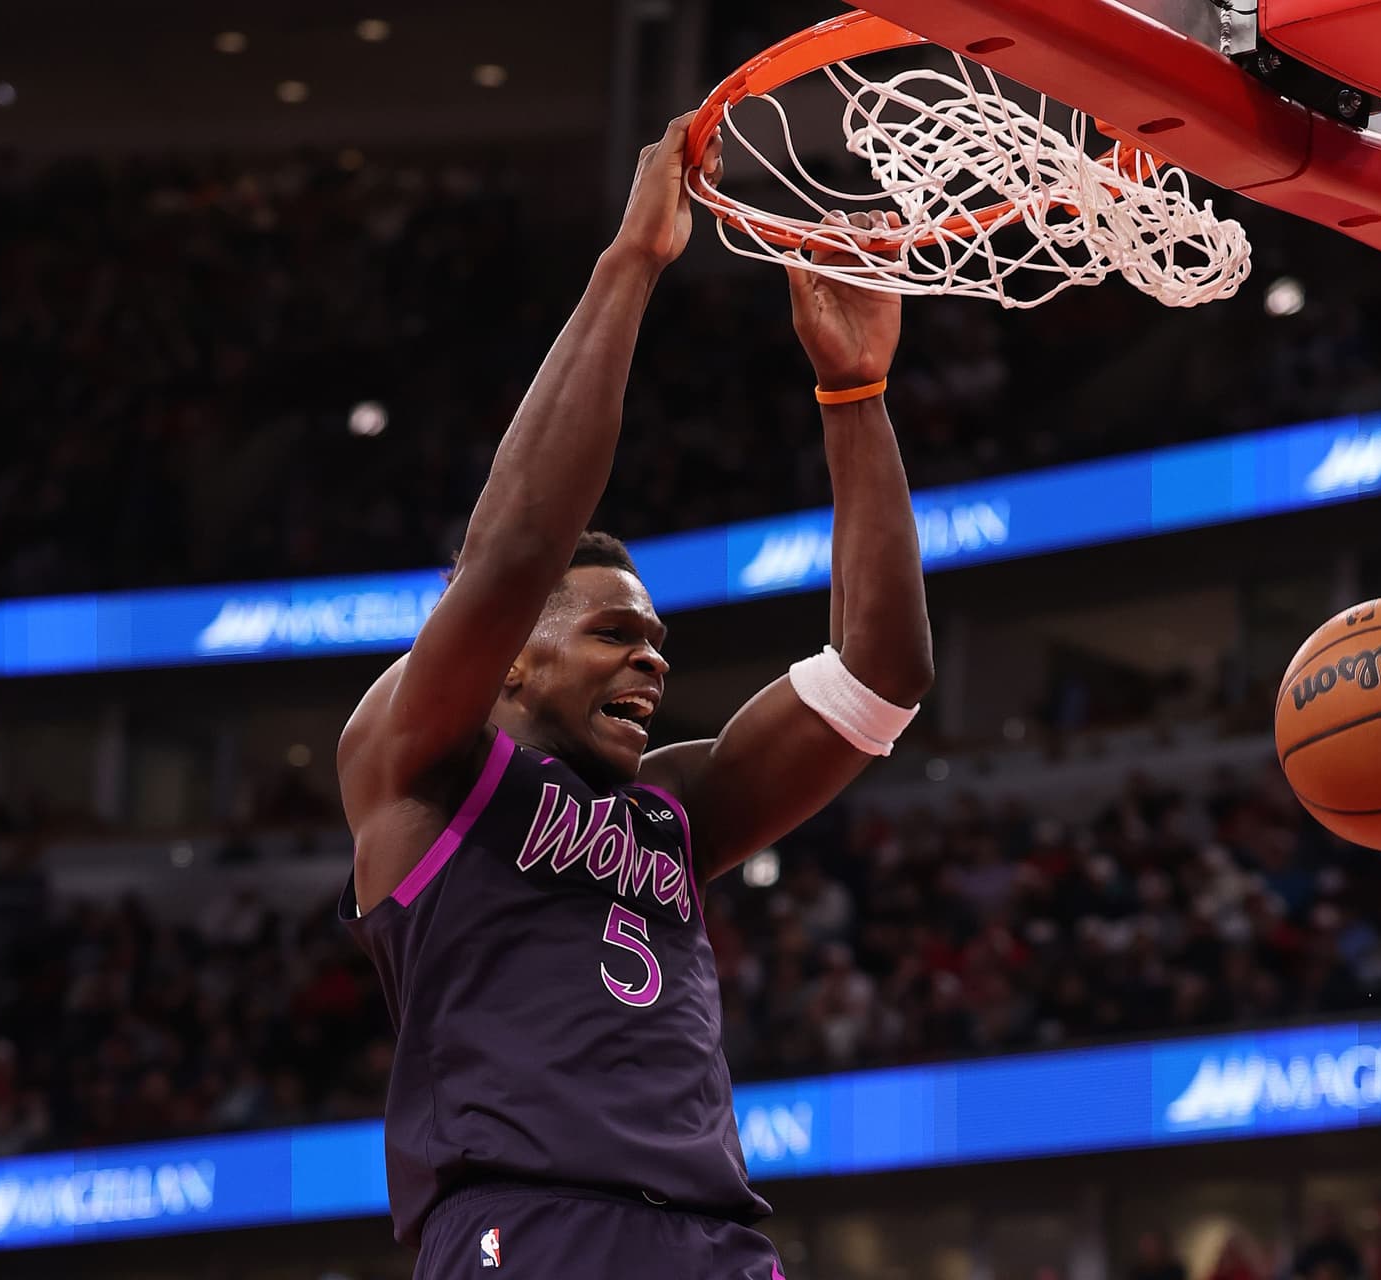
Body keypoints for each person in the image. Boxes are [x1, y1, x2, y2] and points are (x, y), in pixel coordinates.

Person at [335, 113, 932, 1280]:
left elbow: (879, 678)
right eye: (615, 630)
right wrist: (632, 266)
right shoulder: (413, 761)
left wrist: (854, 393)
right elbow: (512, 552)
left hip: (715, 1239)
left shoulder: (668, 808)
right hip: (532, 1224)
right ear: (513, 654)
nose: (654, 658)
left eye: (657, 638)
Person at [1292, 1203, 1364, 1278]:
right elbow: (1298, 1273)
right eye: (1324, 1219)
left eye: (1331, 1219)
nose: (1328, 1223)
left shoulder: (1347, 1250)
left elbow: (1357, 1273)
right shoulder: (1309, 1250)